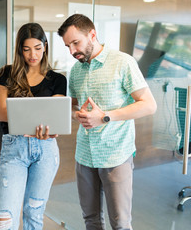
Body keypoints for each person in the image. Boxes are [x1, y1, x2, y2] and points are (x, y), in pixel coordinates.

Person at [57, 14, 157, 230]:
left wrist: (104, 117)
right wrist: (77, 115)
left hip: (116, 155)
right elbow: (73, 106)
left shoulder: (123, 62)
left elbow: (149, 105)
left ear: (92, 35)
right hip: (84, 156)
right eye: (68, 46)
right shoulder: (76, 70)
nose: (72, 51)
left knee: (120, 224)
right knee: (90, 219)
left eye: (76, 42)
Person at [0, 23, 67, 230]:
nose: (32, 54)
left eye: (37, 47)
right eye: (26, 49)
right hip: (14, 148)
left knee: (34, 214)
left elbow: (56, 117)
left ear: (45, 46)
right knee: (4, 218)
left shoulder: (58, 79)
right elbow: (1, 112)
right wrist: (39, 118)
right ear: (20, 50)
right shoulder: (7, 74)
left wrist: (48, 126)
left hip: (45, 149)